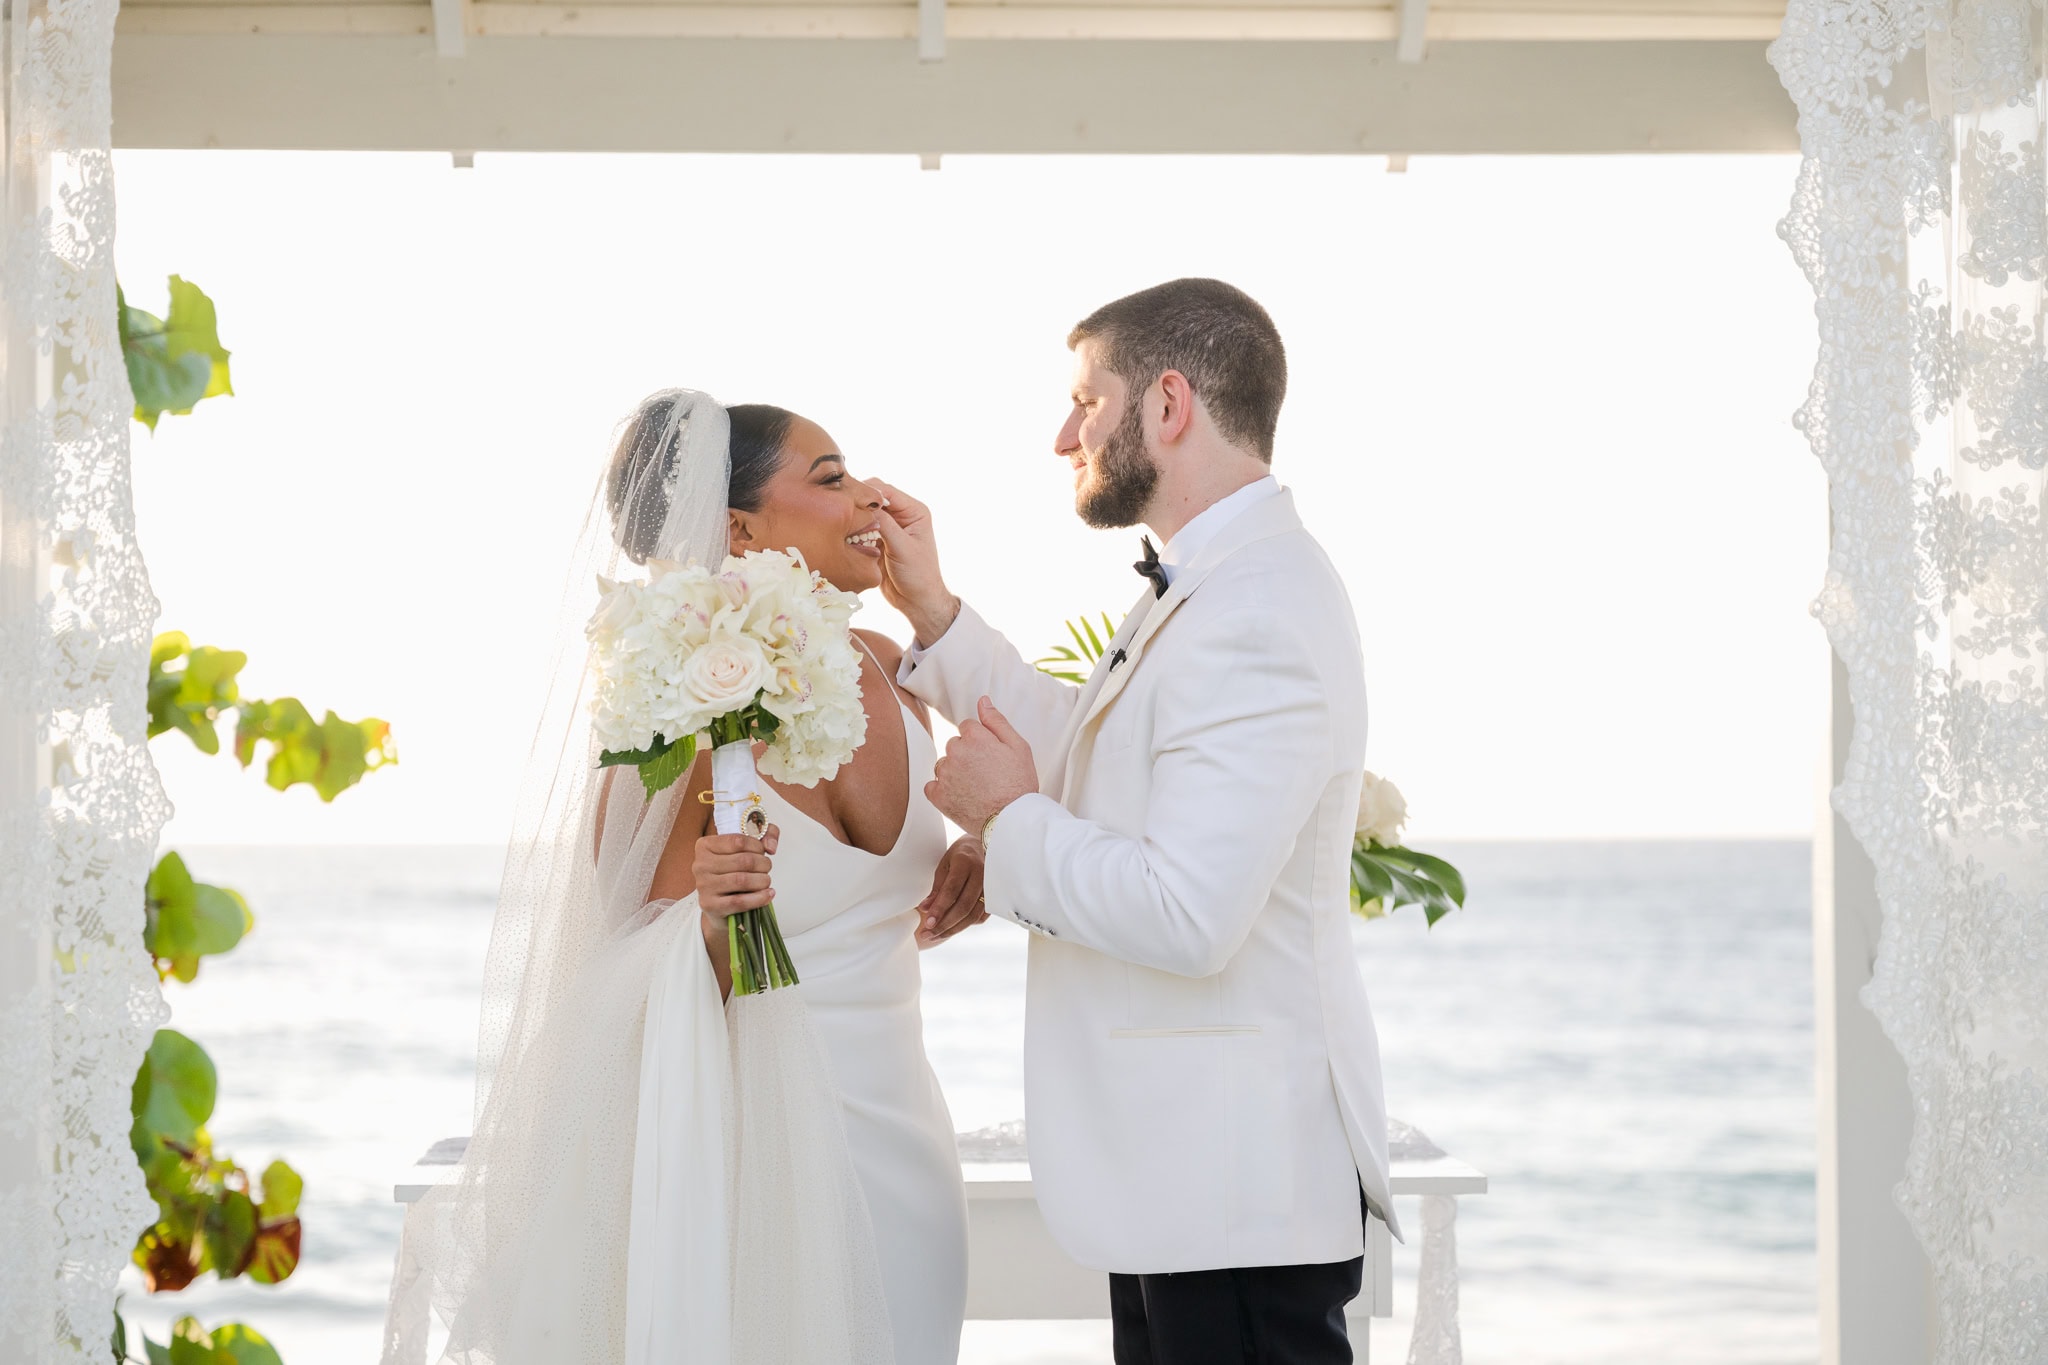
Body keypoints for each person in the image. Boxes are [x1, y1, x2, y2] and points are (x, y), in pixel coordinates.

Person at [382, 392, 974, 1365]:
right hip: (765, 1156)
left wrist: (980, 851)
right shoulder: (671, 709)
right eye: (829, 478)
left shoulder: (893, 667)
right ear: (738, 527)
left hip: (907, 1140)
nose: (867, 492)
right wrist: (711, 921)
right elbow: (625, 974)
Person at [873, 279, 1400, 1364]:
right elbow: (1088, 753)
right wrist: (933, 614)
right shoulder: (1211, 584)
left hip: (1234, 1190)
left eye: (1085, 400)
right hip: (1190, 1181)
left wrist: (1011, 821)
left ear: (1166, 406)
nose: (1064, 433)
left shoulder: (1255, 607)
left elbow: (1188, 915)